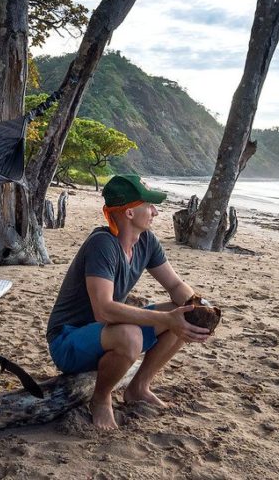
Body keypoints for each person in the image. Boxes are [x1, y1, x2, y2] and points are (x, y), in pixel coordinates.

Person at [45, 174, 211, 430]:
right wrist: (165, 319)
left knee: (186, 313)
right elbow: (104, 310)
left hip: (107, 334)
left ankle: (138, 387)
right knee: (132, 336)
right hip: (69, 341)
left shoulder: (146, 242)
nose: (155, 211)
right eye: (149, 205)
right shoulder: (102, 244)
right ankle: (100, 398)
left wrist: (199, 306)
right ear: (130, 212)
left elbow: (176, 286)